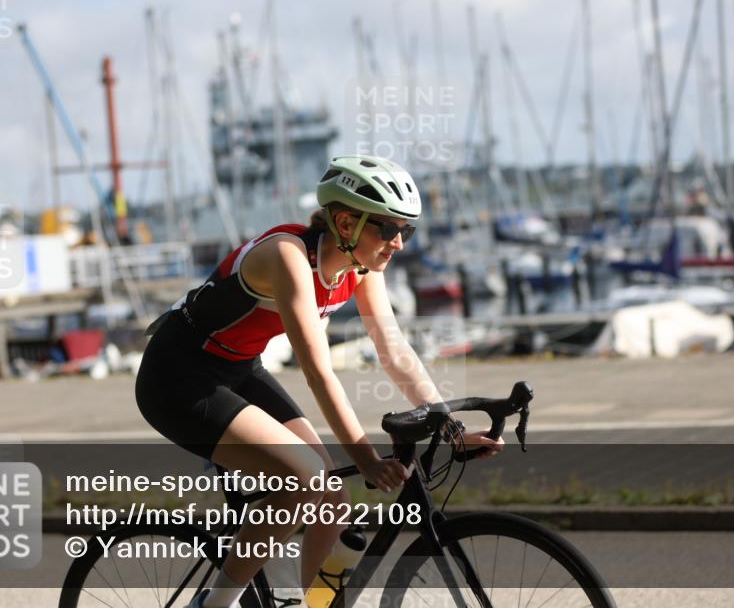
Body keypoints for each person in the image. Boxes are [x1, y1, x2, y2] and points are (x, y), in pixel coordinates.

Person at [135, 155, 503, 608]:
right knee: (306, 479)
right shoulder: (287, 256)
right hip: (177, 378)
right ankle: (215, 605)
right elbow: (318, 374)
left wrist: (451, 427)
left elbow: (394, 352)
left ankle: (295, 603)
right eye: (388, 229)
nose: (398, 243)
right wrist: (366, 459)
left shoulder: (360, 267)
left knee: (332, 502)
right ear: (346, 223)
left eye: (406, 231)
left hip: (238, 369)